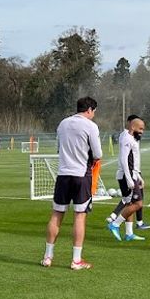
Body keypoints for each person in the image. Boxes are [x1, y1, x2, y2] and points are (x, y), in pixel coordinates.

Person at [42, 96, 103, 270]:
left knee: (56, 214)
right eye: (94, 112)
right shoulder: (90, 126)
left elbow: (59, 148)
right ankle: (76, 260)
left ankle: (48, 256)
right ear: (90, 110)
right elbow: (97, 153)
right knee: (79, 215)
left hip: (62, 175)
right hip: (81, 175)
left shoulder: (62, 124)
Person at [106, 115, 146, 242]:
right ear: (133, 127)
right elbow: (124, 160)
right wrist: (129, 179)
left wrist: (138, 176)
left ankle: (129, 233)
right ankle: (115, 224)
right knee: (138, 204)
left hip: (132, 175)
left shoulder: (132, 139)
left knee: (130, 204)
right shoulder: (127, 139)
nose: (142, 131)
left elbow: (133, 161)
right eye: (140, 128)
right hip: (126, 176)